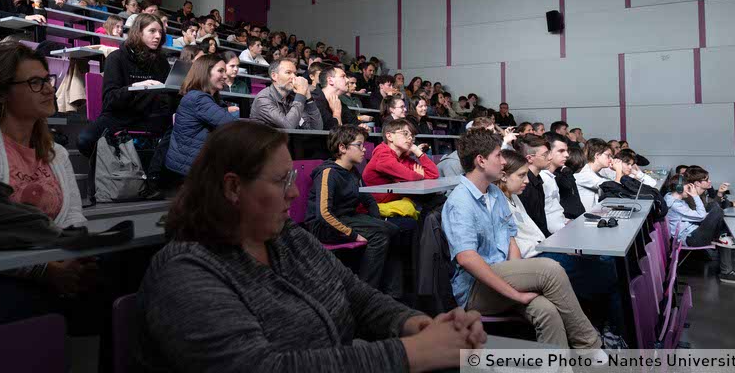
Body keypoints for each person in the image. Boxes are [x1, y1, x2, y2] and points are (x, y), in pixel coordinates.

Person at [136, 120, 485, 371]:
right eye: (281, 180)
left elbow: (356, 295)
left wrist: (416, 324)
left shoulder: (288, 238)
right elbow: (259, 366)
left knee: (528, 364)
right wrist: (411, 353)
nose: (294, 191)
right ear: (232, 188)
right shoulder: (186, 272)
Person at [442, 129, 605, 351]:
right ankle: (591, 346)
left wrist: (521, 275)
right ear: (481, 161)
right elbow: (467, 259)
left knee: (547, 311)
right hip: (475, 289)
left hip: (502, 273)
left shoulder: (494, 193)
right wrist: (515, 293)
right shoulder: (459, 202)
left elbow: (510, 238)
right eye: (498, 155)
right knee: (550, 269)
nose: (503, 161)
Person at [0, 43, 88, 331]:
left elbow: (73, 218)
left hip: (55, 272)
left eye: (47, 79)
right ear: (0, 93)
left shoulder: (56, 153)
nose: (49, 89)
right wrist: (43, 270)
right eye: (35, 82)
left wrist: (76, 260)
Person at [498, 150, 625, 346]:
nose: (526, 180)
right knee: (609, 272)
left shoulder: (513, 196)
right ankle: (612, 333)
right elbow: (517, 250)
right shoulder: (500, 201)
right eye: (521, 175)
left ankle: (605, 328)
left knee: (606, 264)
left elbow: (533, 236)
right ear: (503, 176)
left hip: (543, 252)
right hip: (536, 261)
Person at [305, 125, 401, 292]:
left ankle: (392, 294)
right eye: (359, 145)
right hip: (324, 226)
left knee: (391, 230)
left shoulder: (353, 172)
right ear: (342, 147)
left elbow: (368, 199)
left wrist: (376, 221)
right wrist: (353, 235)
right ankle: (365, 292)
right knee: (381, 236)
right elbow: (324, 213)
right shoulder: (329, 173)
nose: (364, 150)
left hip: (347, 218)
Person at [77, 14, 173, 157]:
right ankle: (110, 169)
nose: (158, 36)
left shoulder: (161, 62)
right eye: (152, 31)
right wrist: (135, 87)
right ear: (138, 32)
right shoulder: (116, 58)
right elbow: (110, 99)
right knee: (85, 140)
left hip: (149, 117)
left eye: (160, 32)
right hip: (119, 116)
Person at [665, 168, 735, 285]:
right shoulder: (677, 204)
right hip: (691, 238)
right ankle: (722, 240)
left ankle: (722, 238)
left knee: (715, 211)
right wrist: (695, 196)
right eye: (687, 187)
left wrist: (710, 215)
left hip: (692, 232)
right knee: (717, 211)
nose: (690, 189)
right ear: (679, 188)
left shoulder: (672, 198)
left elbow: (702, 213)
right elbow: (700, 216)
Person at [165, 55, 240, 177]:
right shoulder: (198, 98)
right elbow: (231, 124)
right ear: (205, 73)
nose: (225, 76)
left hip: (188, 163)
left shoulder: (200, 97)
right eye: (221, 71)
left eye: (225, 71)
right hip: (188, 168)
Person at [362, 119, 439, 221]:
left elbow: (433, 174)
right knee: (426, 209)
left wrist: (418, 152)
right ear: (389, 136)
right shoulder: (382, 154)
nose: (410, 138)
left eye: (412, 136)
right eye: (405, 134)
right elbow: (411, 176)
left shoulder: (404, 158)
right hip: (376, 207)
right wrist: (418, 176)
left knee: (437, 200)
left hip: (396, 201)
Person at [250, 58, 321, 130]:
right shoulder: (263, 98)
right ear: (274, 76)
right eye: (288, 72)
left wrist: (308, 97)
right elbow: (288, 126)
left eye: (295, 73)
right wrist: (300, 94)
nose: (294, 77)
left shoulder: (293, 97)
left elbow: (316, 128)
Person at [513, 134, 552, 238]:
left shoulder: (537, 179)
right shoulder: (524, 186)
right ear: (530, 158)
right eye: (545, 155)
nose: (550, 158)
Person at [538, 133, 569, 233]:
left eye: (566, 151)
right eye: (561, 151)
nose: (567, 155)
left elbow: (555, 211)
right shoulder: (542, 178)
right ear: (549, 153)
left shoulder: (551, 177)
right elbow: (547, 215)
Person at [313, 64, 358, 130]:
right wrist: (336, 113)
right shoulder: (315, 100)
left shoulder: (339, 102)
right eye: (343, 76)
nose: (348, 80)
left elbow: (353, 122)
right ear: (330, 81)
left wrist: (361, 126)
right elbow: (330, 132)